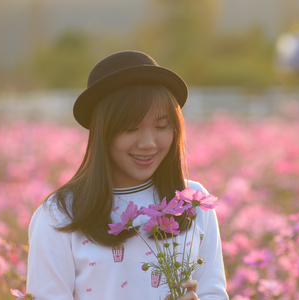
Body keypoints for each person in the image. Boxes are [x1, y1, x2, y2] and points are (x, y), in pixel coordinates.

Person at [26, 51, 229, 300]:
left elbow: (213, 293)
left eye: (161, 126)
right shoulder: (59, 214)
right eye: (131, 128)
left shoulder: (193, 202)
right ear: (103, 133)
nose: (148, 143)